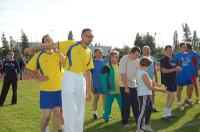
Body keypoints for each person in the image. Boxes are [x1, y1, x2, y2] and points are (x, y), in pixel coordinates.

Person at [24, 28, 94, 132]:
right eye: (88, 36)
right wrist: (31, 49)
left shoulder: (87, 52)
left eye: (91, 37)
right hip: (58, 83)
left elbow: (81, 69)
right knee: (59, 113)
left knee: (69, 112)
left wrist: (89, 90)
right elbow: (29, 67)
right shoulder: (69, 44)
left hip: (70, 83)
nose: (90, 39)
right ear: (82, 36)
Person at [26, 35, 65, 132]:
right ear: (43, 43)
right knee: (47, 115)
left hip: (59, 88)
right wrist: (38, 78)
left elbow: (66, 63)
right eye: (47, 40)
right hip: (46, 89)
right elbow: (28, 68)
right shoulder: (39, 55)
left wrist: (58, 53)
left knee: (57, 112)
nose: (49, 41)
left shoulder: (58, 53)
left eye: (51, 40)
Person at [136, 57, 165, 132]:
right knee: (142, 112)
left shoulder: (143, 72)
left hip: (147, 95)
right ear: (147, 65)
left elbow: (150, 83)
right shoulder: (143, 73)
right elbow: (149, 87)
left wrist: (157, 84)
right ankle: (139, 129)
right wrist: (161, 90)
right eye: (149, 65)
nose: (150, 66)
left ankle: (146, 126)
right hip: (144, 95)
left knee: (149, 110)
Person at [119, 46, 141, 128]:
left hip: (133, 84)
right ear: (131, 53)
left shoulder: (137, 60)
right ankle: (125, 122)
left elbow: (139, 74)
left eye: (138, 55)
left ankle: (138, 121)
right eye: (136, 55)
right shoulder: (125, 58)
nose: (137, 57)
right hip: (124, 84)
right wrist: (126, 86)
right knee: (126, 104)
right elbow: (122, 74)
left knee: (136, 103)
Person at [160, 45, 181, 120]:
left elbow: (172, 69)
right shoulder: (163, 59)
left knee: (172, 98)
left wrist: (177, 69)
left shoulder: (171, 59)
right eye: (168, 50)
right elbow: (164, 71)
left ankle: (168, 114)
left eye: (171, 50)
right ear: (165, 51)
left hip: (173, 80)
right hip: (168, 81)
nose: (170, 51)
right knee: (170, 98)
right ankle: (164, 115)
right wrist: (175, 69)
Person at [101, 50, 122, 122]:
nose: (116, 58)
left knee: (122, 105)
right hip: (110, 91)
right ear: (110, 57)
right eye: (114, 57)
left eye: (117, 57)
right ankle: (106, 117)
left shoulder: (120, 65)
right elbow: (103, 79)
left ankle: (125, 116)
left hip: (120, 90)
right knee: (108, 105)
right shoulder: (106, 67)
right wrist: (106, 90)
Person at [174, 42, 193, 110]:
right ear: (180, 47)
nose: (185, 48)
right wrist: (176, 69)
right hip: (180, 76)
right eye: (183, 47)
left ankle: (188, 99)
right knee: (179, 89)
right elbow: (174, 65)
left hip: (188, 75)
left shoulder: (188, 54)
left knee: (190, 87)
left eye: (185, 47)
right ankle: (179, 103)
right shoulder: (177, 55)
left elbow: (189, 64)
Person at [140, 46, 159, 112]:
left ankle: (152, 107)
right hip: (144, 80)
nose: (148, 51)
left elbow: (155, 68)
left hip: (152, 79)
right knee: (145, 94)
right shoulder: (140, 59)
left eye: (148, 50)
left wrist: (156, 77)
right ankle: (145, 108)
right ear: (143, 51)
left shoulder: (152, 58)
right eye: (146, 50)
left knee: (153, 93)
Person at [91, 48, 106, 120]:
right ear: (94, 54)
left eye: (101, 52)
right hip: (95, 85)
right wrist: (91, 86)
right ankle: (95, 113)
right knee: (96, 99)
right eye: (98, 52)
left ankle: (104, 113)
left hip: (104, 84)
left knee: (104, 100)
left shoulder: (105, 62)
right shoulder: (92, 63)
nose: (99, 53)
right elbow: (89, 75)